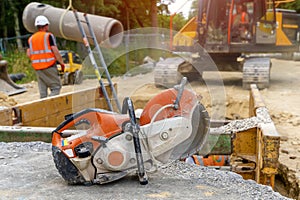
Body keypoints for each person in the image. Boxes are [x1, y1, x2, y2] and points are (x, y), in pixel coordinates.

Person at [27, 15, 65, 98]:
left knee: (43, 93)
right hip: (49, 66)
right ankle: (50, 107)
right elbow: (55, 51)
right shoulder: (48, 36)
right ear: (46, 25)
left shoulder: (31, 38)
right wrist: (62, 63)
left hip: (38, 68)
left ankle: (43, 109)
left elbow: (29, 53)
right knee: (56, 88)